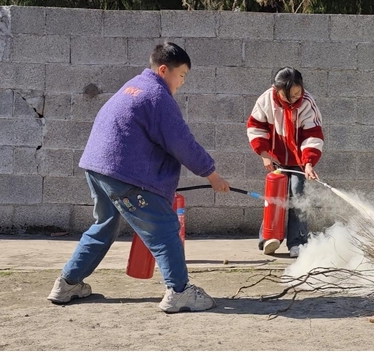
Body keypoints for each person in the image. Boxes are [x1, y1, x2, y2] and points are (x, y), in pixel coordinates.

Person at [47, 42, 231, 313]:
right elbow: (182, 143)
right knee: (166, 227)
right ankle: (180, 292)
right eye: (181, 75)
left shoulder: (133, 86)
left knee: (104, 225)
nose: (182, 82)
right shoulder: (157, 96)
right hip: (124, 174)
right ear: (164, 70)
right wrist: (212, 174)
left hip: (97, 169)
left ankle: (67, 283)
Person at [246, 67, 325, 258]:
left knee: (298, 196)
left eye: (298, 92)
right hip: (277, 159)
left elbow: (313, 135)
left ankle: (298, 242)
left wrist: (308, 163)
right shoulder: (266, 100)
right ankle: (269, 238)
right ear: (277, 90)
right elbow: (255, 127)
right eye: (289, 95)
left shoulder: (307, 103)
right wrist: (264, 154)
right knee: (275, 196)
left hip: (299, 161)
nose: (295, 98)